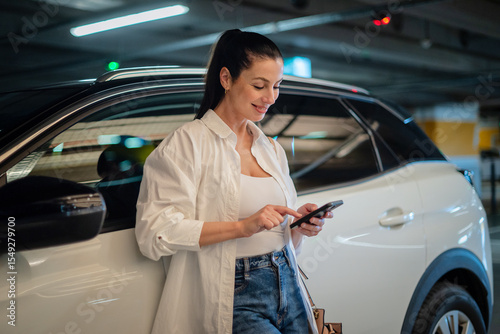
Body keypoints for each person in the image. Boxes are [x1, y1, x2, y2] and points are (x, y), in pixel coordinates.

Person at [136, 29, 332, 334]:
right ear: (226, 79)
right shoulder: (186, 144)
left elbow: (280, 234)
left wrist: (299, 225)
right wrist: (241, 227)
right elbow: (154, 233)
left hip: (286, 279)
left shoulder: (271, 148)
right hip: (234, 293)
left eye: (277, 86)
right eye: (259, 85)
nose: (271, 98)